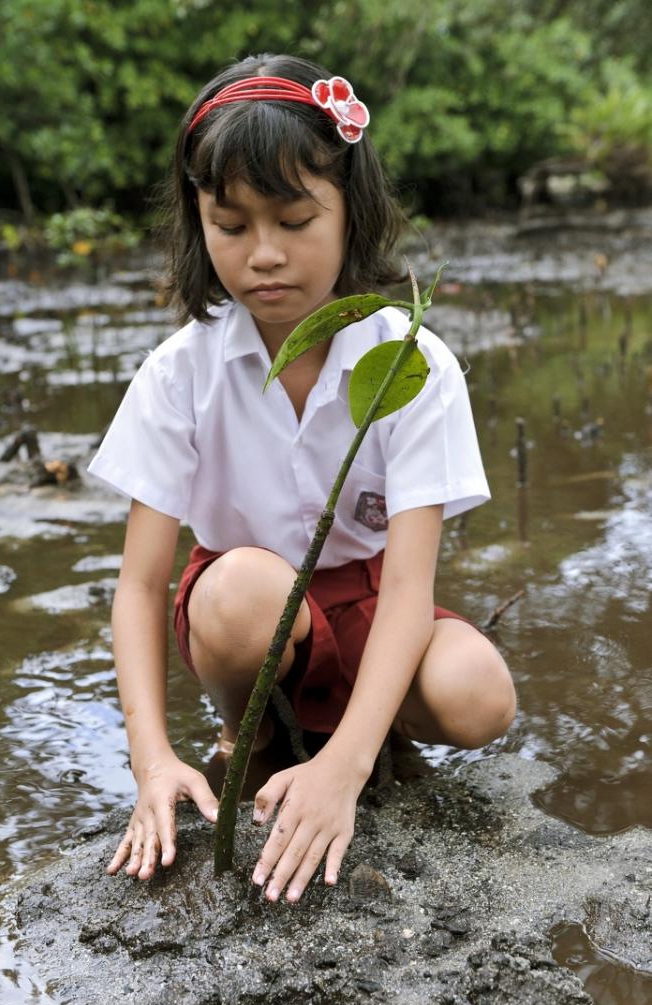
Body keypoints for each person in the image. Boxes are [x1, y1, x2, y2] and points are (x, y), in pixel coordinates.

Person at [87, 53, 516, 905]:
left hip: (365, 606)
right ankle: (255, 730)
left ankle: (353, 735)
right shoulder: (182, 373)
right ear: (198, 222)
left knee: (480, 695)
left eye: (294, 219)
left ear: (350, 213)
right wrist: (152, 761)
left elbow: (406, 589)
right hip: (242, 612)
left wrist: (347, 772)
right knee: (245, 588)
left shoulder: (411, 362)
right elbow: (139, 587)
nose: (265, 256)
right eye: (232, 225)